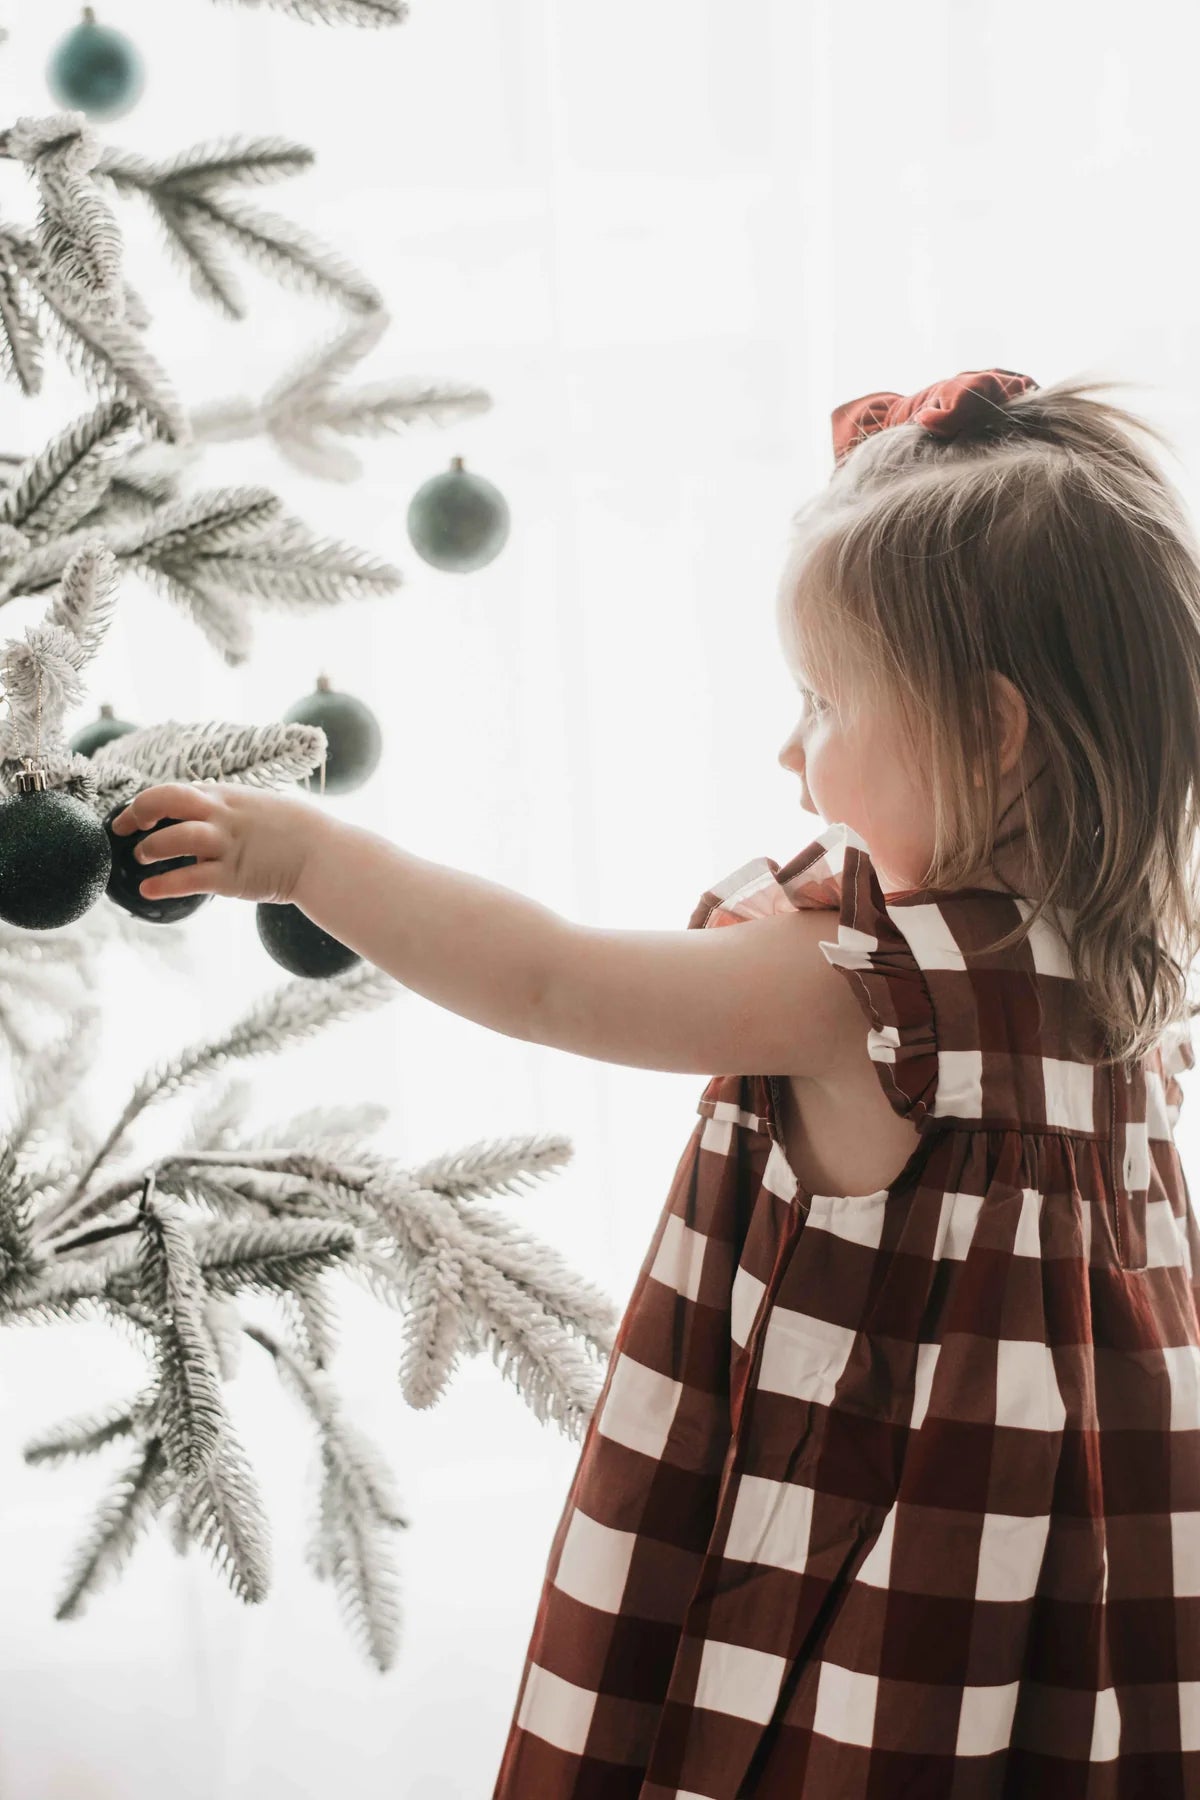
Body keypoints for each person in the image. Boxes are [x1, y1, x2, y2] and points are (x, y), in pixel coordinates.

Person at [113, 368, 1200, 1796]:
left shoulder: (875, 987)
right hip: (1060, 1596)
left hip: (871, 1565)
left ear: (995, 733)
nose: (788, 750)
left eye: (822, 701)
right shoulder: (1113, 974)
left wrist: (308, 862)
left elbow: (555, 981)